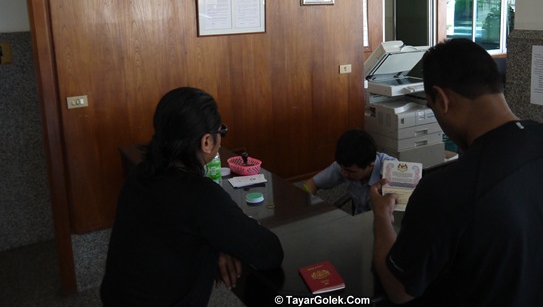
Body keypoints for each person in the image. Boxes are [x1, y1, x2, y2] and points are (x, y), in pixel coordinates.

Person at [370, 38, 543, 306]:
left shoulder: (445, 189)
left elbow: (399, 289)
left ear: (442, 99)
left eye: (432, 106)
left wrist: (382, 217)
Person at [101, 87, 283, 307]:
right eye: (221, 131)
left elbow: (179, 233)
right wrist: (222, 240)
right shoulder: (201, 195)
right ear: (207, 142)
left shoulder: (139, 175)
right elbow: (269, 252)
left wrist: (216, 242)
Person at [303, 128, 397, 215]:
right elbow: (312, 183)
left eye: (351, 172)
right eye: (342, 168)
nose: (344, 173)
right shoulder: (344, 165)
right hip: (358, 220)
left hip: (384, 221)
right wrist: (304, 208)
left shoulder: (392, 169)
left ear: (370, 166)